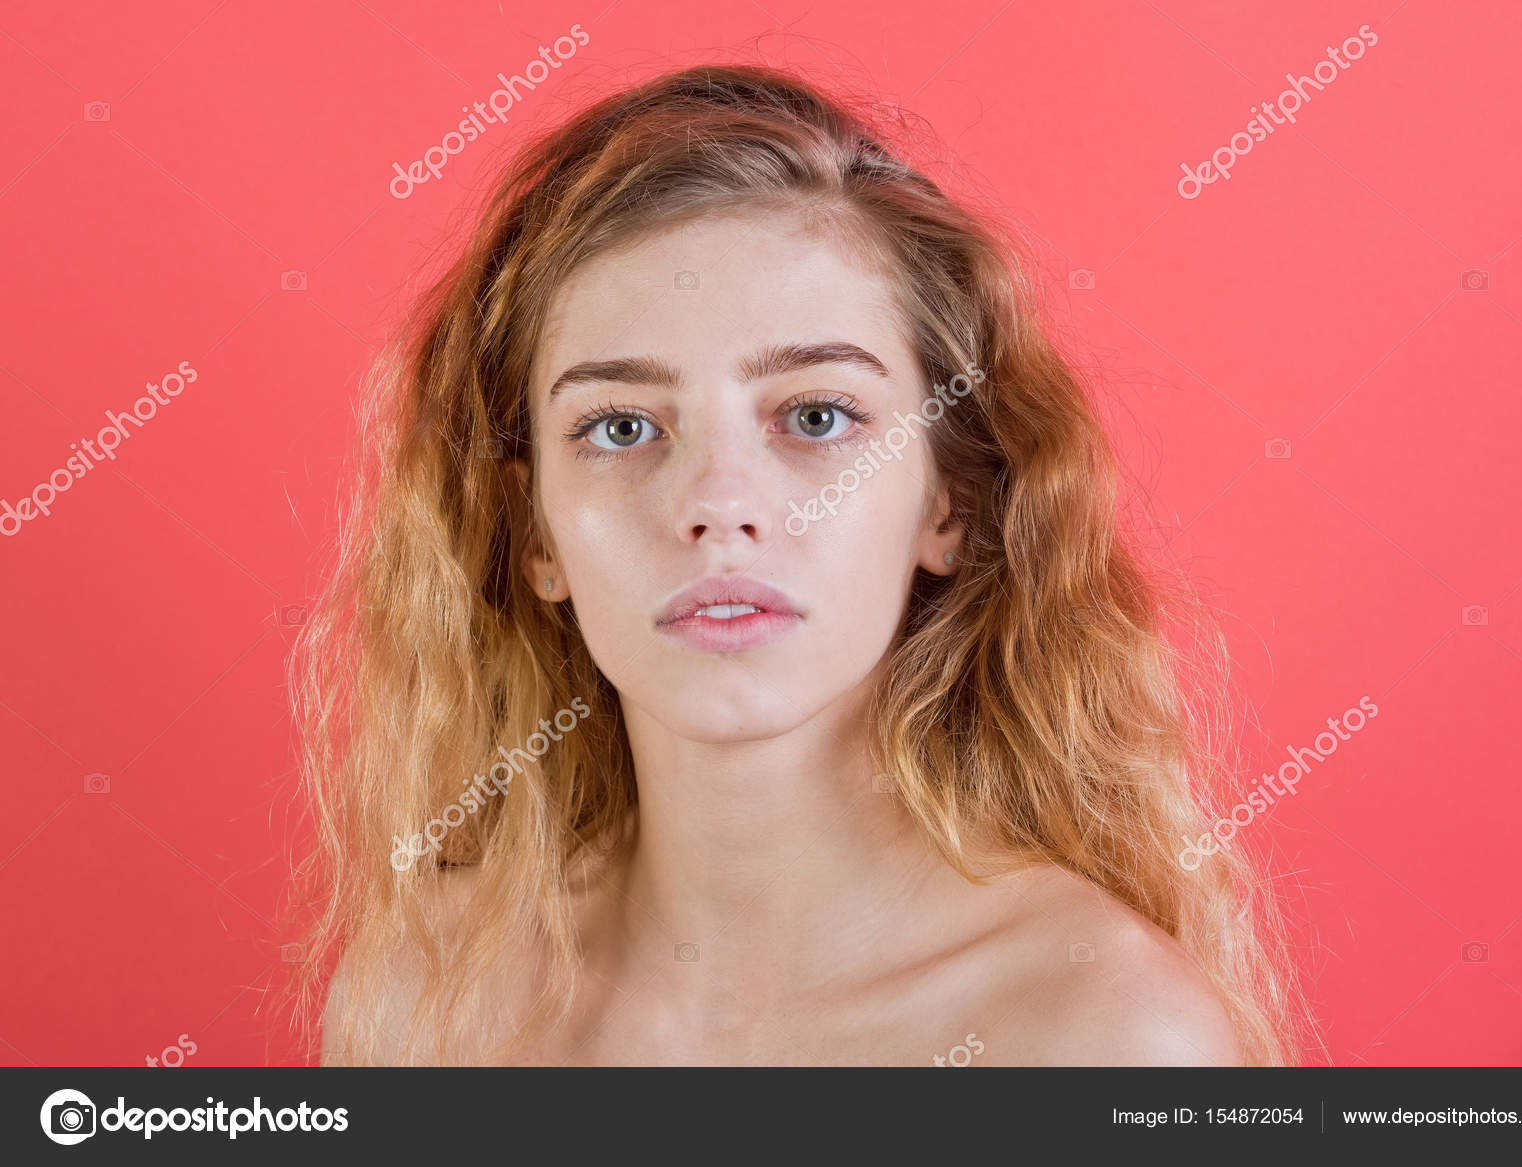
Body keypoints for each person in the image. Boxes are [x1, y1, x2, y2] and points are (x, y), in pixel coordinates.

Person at [291, 63, 1307, 1066]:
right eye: (620, 426)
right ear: (538, 535)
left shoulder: (1099, 1037)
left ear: (947, 503)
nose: (716, 506)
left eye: (817, 416)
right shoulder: (427, 998)